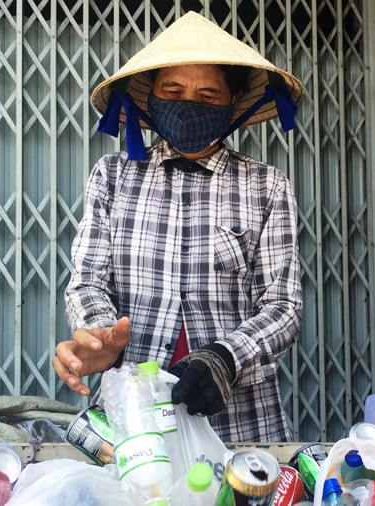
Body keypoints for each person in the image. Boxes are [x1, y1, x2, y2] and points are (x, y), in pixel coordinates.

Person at [52, 11, 303, 442]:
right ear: (151, 98)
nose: (189, 103)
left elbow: (283, 306)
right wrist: (101, 337)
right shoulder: (112, 175)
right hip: (134, 411)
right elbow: (87, 280)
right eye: (173, 90)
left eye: (208, 94)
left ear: (232, 103)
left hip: (239, 415)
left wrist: (225, 358)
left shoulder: (266, 184)